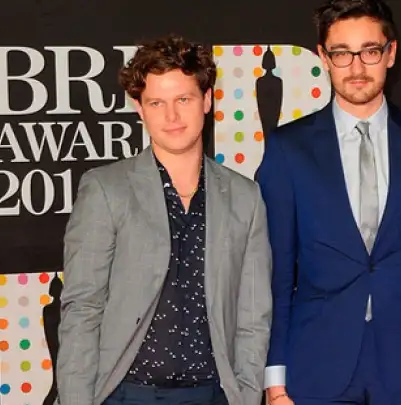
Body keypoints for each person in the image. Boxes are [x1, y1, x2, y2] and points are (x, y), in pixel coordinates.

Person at [256, 1, 401, 404]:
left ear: (391, 53)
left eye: (370, 51)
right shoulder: (289, 149)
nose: (356, 67)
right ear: (323, 57)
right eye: (342, 53)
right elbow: (274, 273)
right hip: (316, 365)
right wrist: (275, 383)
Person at [57, 34, 272, 405]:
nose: (171, 116)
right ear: (139, 108)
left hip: (214, 394)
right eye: (157, 103)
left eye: (183, 99)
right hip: (126, 394)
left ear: (207, 100)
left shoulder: (245, 196)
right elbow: (83, 308)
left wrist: (248, 395)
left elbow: (253, 314)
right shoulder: (106, 189)